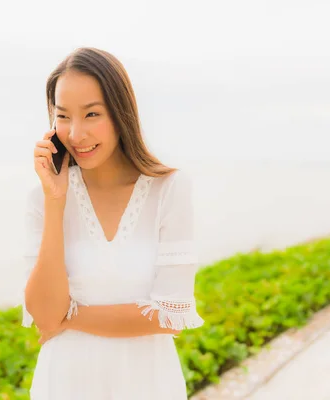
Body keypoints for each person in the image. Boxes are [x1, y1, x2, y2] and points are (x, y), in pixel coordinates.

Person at [21, 47, 204, 399]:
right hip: (63, 384)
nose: (76, 134)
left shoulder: (169, 190)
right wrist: (55, 200)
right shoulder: (42, 198)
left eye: (92, 114)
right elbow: (44, 315)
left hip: (147, 384)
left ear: (121, 113)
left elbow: (168, 314)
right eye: (62, 116)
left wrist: (70, 319)